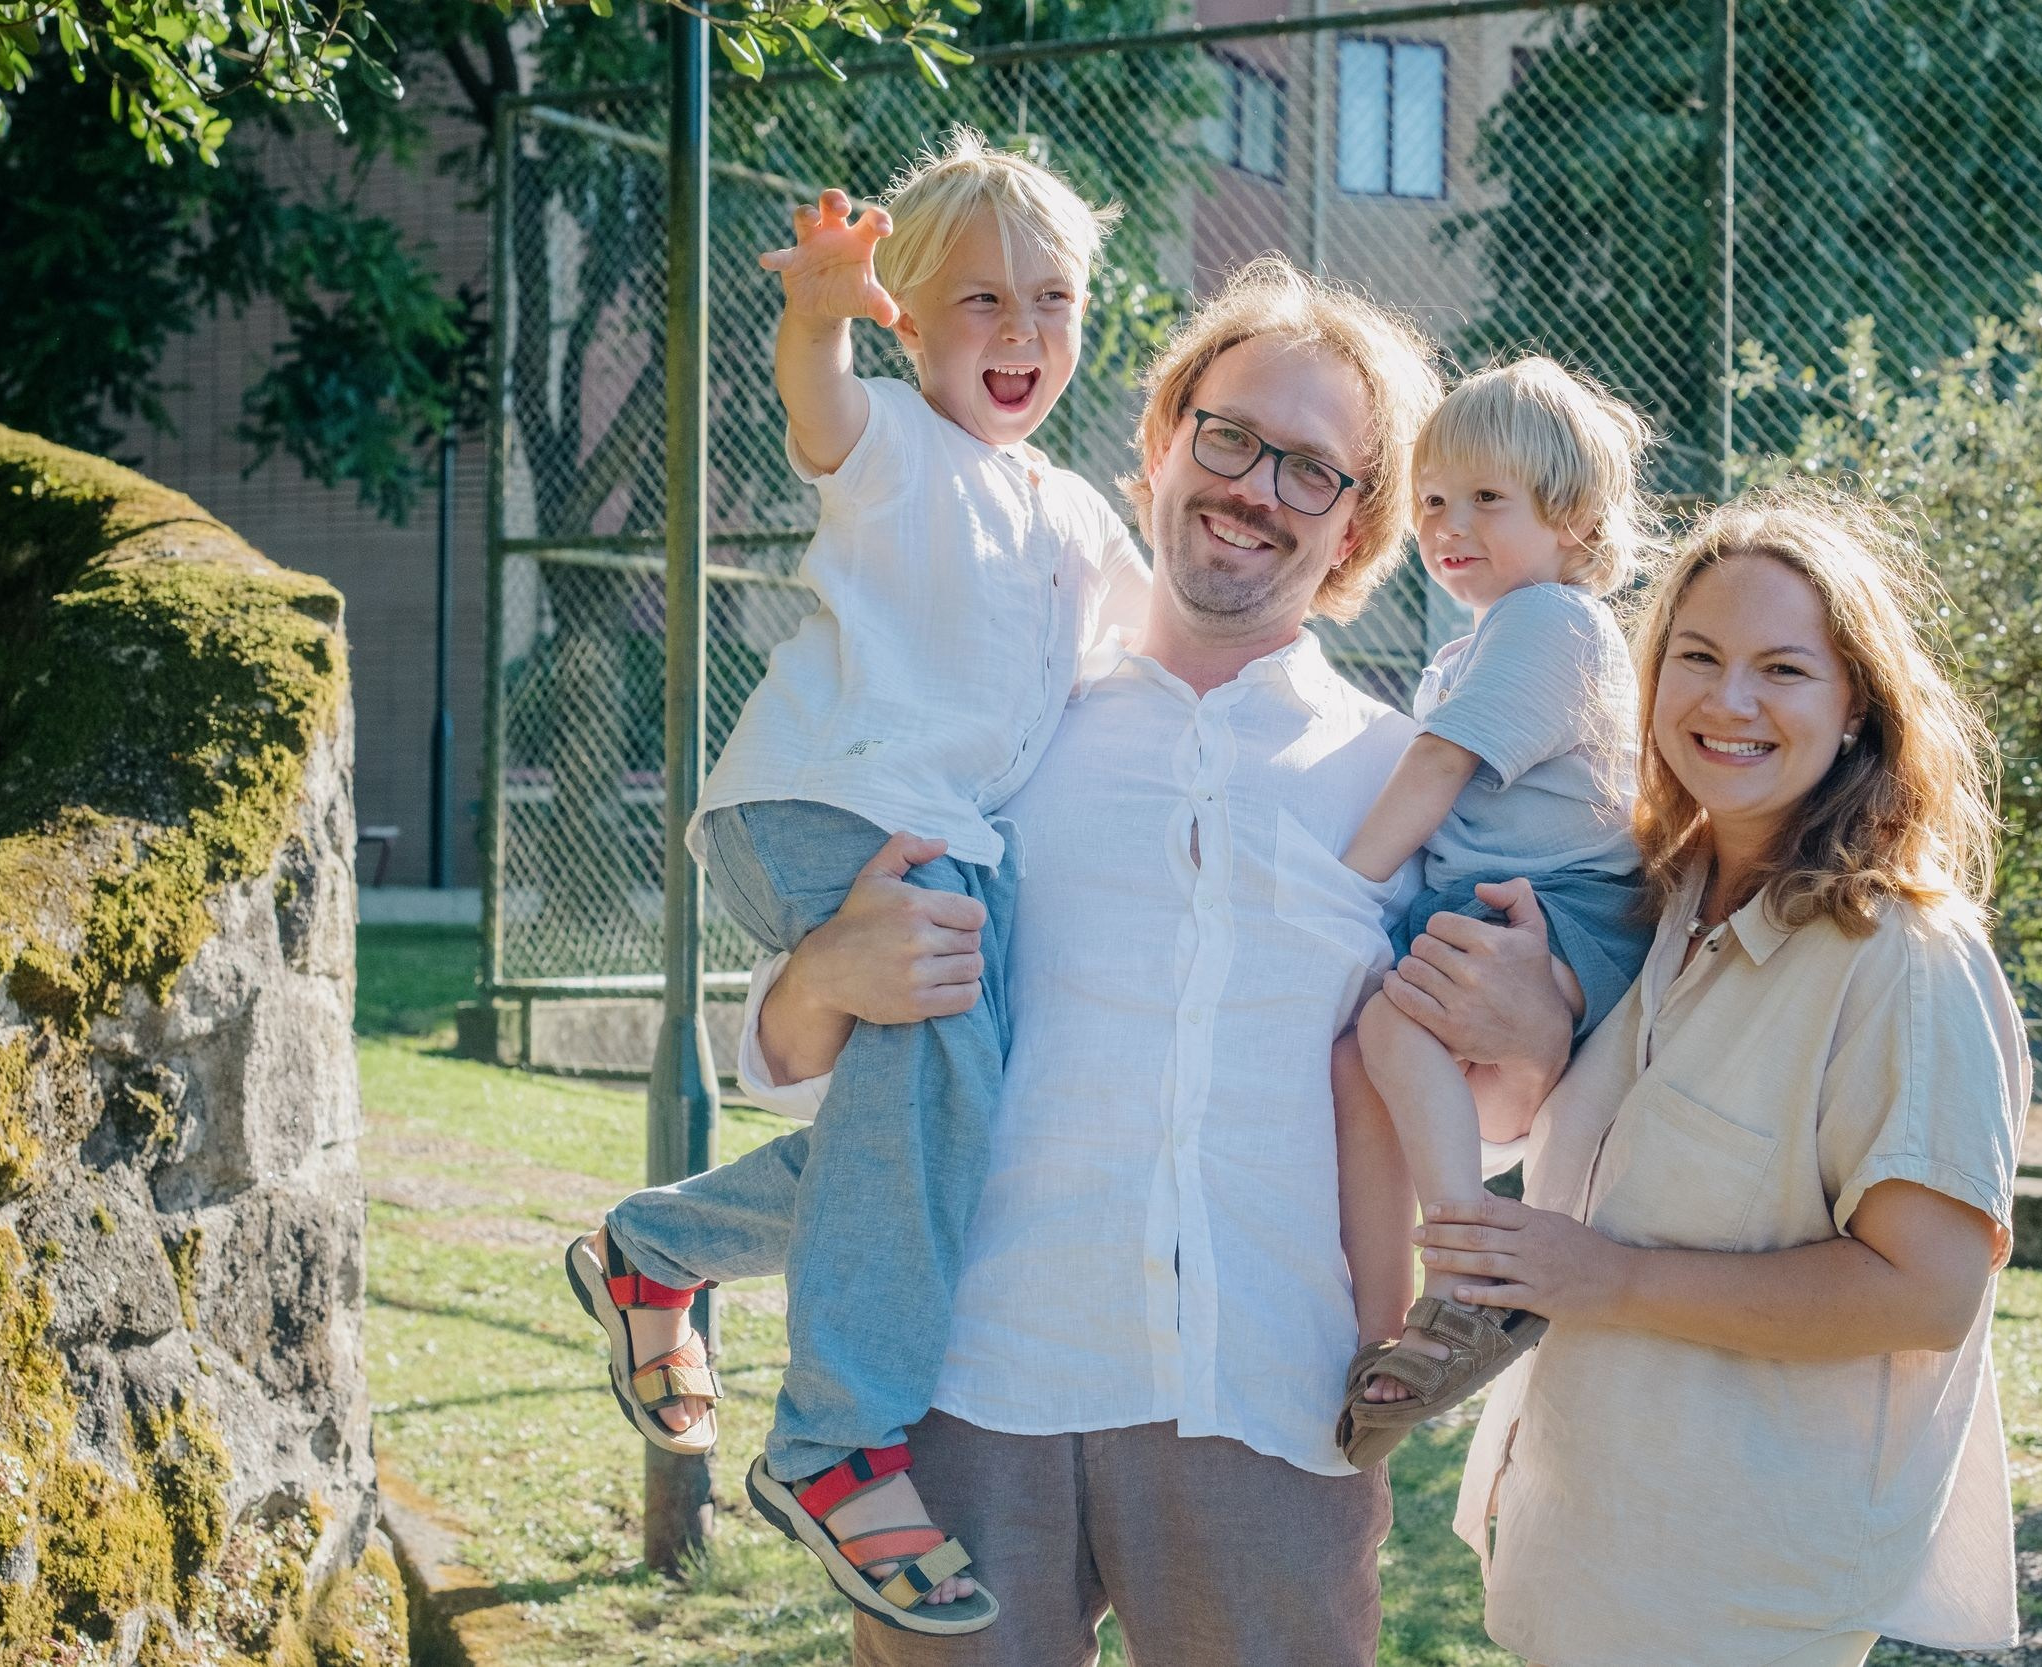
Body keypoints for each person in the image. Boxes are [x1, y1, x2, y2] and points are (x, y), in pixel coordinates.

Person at [610, 257, 1564, 1667]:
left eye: (1314, 470)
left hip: (1270, 1399)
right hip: (967, 1392)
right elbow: (814, 1057)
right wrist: (822, 973)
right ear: (1165, 443)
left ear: (1360, 524)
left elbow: (1477, 1096)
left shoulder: (1402, 777)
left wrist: (1534, 1024)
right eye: (1230, 435)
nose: (1255, 487)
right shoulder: (1000, 728)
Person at [563, 127, 1145, 1635]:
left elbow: (1148, 667)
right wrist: (821, 304)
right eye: (978, 302)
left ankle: (658, 1250)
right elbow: (813, 405)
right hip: (832, 803)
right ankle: (831, 1443)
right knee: (933, 1119)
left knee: (929, 1137)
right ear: (913, 314)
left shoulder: (1077, 512)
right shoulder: (895, 440)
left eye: (1054, 303)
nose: (1020, 336)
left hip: (945, 839)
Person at [1427, 483, 2028, 1667]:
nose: (1729, 699)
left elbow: (1926, 1290)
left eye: (1783, 669)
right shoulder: (1648, 908)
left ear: (1856, 705)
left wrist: (1601, 1273)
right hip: (1574, 1557)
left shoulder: (1902, 956)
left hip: (1730, 1601)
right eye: (1695, 656)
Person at [1324, 359, 1658, 1467]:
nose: (1446, 524)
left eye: (1485, 500)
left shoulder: (1549, 621)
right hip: (1530, 908)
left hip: (1562, 906)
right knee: (1369, 1059)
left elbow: (1435, 771)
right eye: (1430, 498)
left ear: (1570, 521)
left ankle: (1466, 1268)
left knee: (1383, 1027)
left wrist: (1330, 894)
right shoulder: (1483, 637)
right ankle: (1404, 1313)